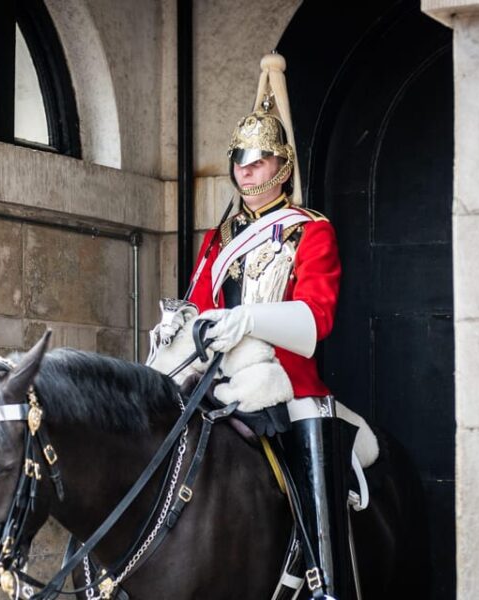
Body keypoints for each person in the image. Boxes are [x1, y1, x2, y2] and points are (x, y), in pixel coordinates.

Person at [151, 54, 358, 599]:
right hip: (221, 378)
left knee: (312, 458)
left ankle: (325, 578)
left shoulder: (310, 232)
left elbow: (316, 319)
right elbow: (200, 309)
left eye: (260, 160)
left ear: (282, 166)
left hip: (286, 379)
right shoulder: (218, 239)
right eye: (240, 159)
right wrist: (175, 331)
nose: (246, 170)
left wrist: (249, 319)